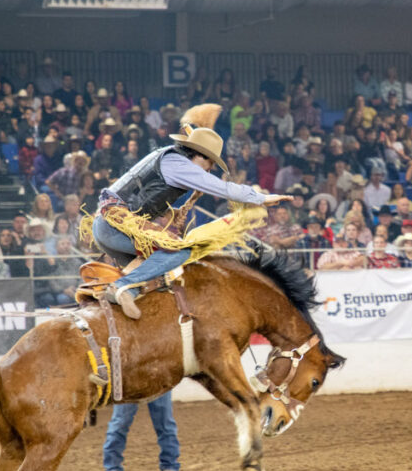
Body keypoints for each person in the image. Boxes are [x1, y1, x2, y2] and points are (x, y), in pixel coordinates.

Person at [91, 108, 290, 319]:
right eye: (210, 162)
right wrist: (260, 197)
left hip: (109, 226)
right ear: (198, 155)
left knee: (156, 272)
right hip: (114, 228)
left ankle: (127, 292)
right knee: (180, 252)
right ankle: (121, 286)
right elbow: (221, 188)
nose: (210, 169)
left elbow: (142, 196)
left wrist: (168, 211)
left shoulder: (167, 157)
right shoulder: (179, 165)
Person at [103, 391, 180, 471]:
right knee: (120, 422)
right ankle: (112, 466)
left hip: (157, 380)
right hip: (130, 381)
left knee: (164, 422)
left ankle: (170, 464)